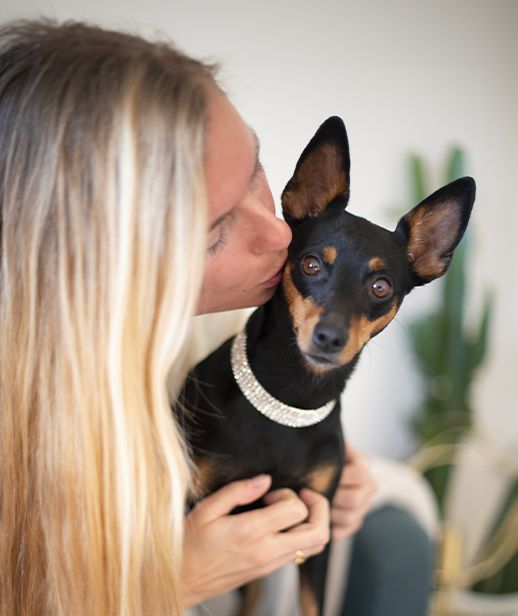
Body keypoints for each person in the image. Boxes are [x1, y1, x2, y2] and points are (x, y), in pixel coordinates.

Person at [0, 20, 377, 615]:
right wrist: (176, 580)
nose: (279, 233)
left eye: (256, 172)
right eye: (214, 232)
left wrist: (344, 482)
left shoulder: (235, 331)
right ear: (91, 271)